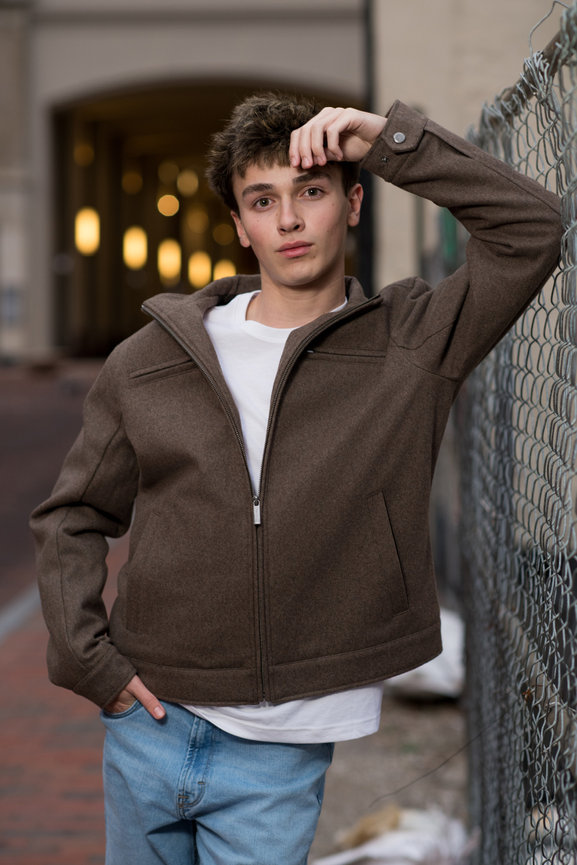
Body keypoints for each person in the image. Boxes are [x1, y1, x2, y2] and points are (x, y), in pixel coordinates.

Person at [31, 92, 562, 864]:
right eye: (262, 200)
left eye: (309, 192)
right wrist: (90, 661)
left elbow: (531, 231)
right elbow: (74, 513)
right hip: (148, 720)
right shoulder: (152, 360)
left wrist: (389, 140)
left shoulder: (410, 344)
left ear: (350, 204)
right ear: (240, 225)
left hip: (280, 752)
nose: (287, 220)